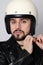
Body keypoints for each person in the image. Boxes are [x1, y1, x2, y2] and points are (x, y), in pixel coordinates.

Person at [0, 0, 43, 65]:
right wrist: (25, 54)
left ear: (32, 24)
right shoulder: (1, 50)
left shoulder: (40, 49)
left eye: (23, 21)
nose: (17, 27)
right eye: (13, 22)